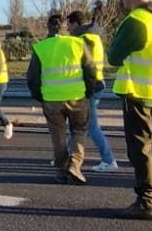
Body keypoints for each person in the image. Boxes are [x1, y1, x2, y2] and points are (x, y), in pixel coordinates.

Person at [106, 0, 152, 220]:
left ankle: (146, 202)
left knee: (140, 150)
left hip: (137, 92)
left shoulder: (136, 21)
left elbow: (113, 57)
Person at [27, 13, 98, 183]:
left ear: (48, 27)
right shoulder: (77, 43)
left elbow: (32, 78)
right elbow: (91, 70)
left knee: (58, 136)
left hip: (51, 100)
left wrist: (40, 96)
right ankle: (74, 163)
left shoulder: (40, 48)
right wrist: (89, 92)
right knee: (79, 130)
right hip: (77, 97)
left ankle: (60, 171)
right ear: (65, 26)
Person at [69, 10, 118, 172]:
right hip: (96, 83)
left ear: (75, 24)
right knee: (76, 123)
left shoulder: (84, 39)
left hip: (90, 85)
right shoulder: (94, 37)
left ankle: (109, 160)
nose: (68, 29)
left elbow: (84, 66)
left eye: (69, 25)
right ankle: (67, 157)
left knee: (91, 125)